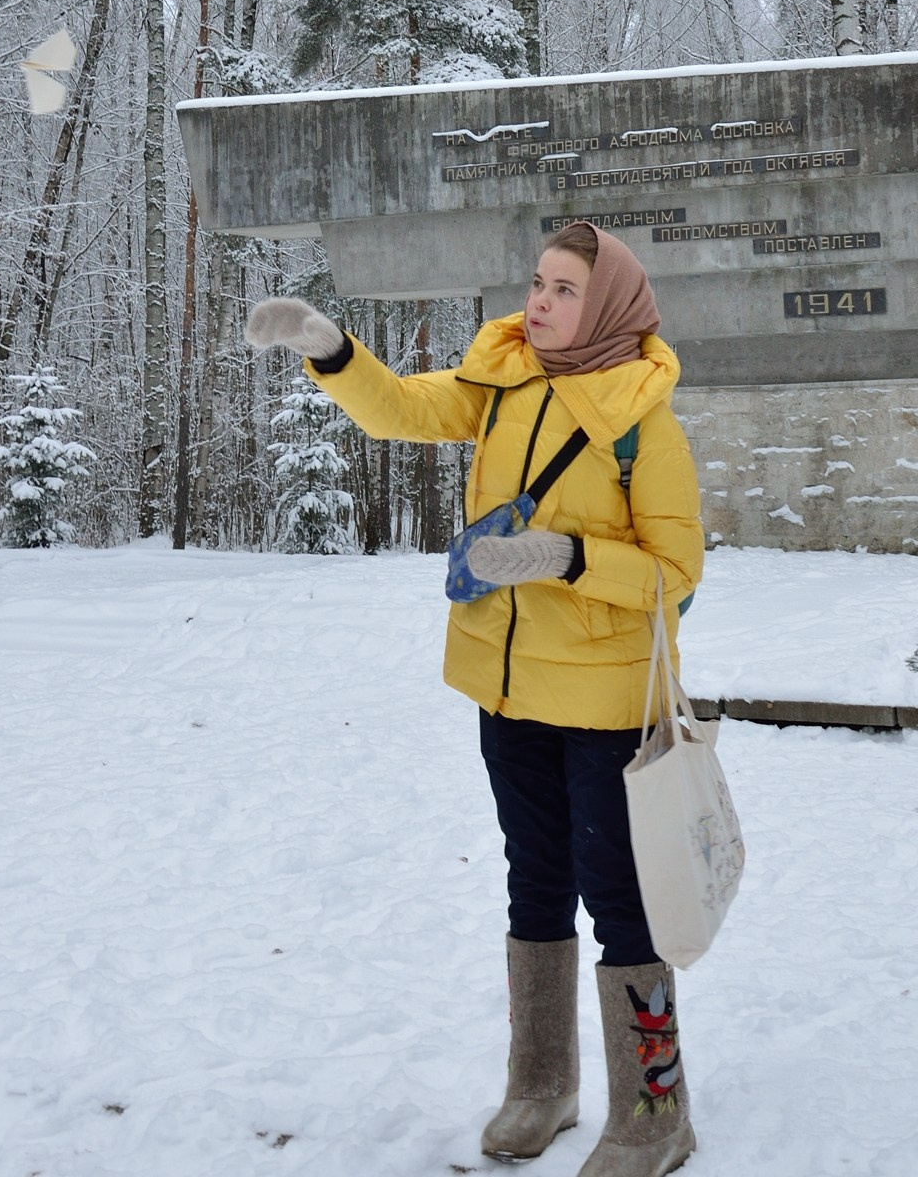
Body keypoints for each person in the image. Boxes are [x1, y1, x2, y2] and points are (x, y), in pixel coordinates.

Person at [246, 221, 703, 1177]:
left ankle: (654, 1115)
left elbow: (677, 573)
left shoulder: (641, 422)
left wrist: (564, 556)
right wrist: (327, 345)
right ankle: (542, 1086)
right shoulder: (501, 384)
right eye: (537, 283)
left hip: (606, 703)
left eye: (564, 290)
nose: (538, 302)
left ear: (609, 304)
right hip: (506, 689)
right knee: (533, 884)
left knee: (619, 901)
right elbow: (400, 410)